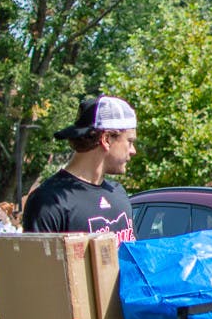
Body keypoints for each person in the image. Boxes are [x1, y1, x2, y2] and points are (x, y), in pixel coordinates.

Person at [23, 95, 137, 241]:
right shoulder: (49, 201)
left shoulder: (118, 193)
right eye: (130, 141)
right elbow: (37, 263)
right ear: (107, 139)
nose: (133, 151)